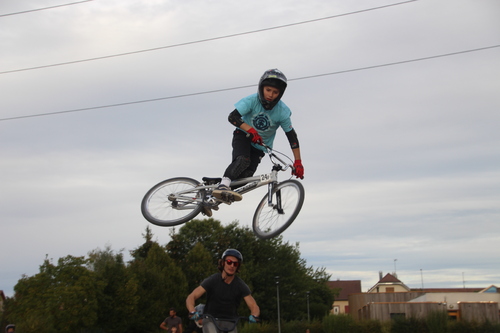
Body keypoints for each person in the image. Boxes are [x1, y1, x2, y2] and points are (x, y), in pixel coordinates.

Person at [207, 69, 304, 214]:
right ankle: (223, 186)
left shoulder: (283, 111)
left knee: (245, 177)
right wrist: (250, 130)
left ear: (280, 94)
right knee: (242, 160)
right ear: (261, 88)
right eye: (268, 90)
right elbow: (232, 117)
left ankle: (211, 197)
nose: (271, 95)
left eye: (275, 92)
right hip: (243, 136)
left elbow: (292, 137)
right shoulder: (251, 100)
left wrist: (298, 162)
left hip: (260, 146)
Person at [186, 249, 260, 333]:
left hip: (230, 322)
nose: (232, 266)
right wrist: (192, 311)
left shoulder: (240, 285)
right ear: (222, 263)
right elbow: (192, 296)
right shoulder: (213, 280)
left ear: (238, 266)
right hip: (211, 320)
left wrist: (254, 315)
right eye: (229, 262)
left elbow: (253, 305)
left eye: (235, 264)